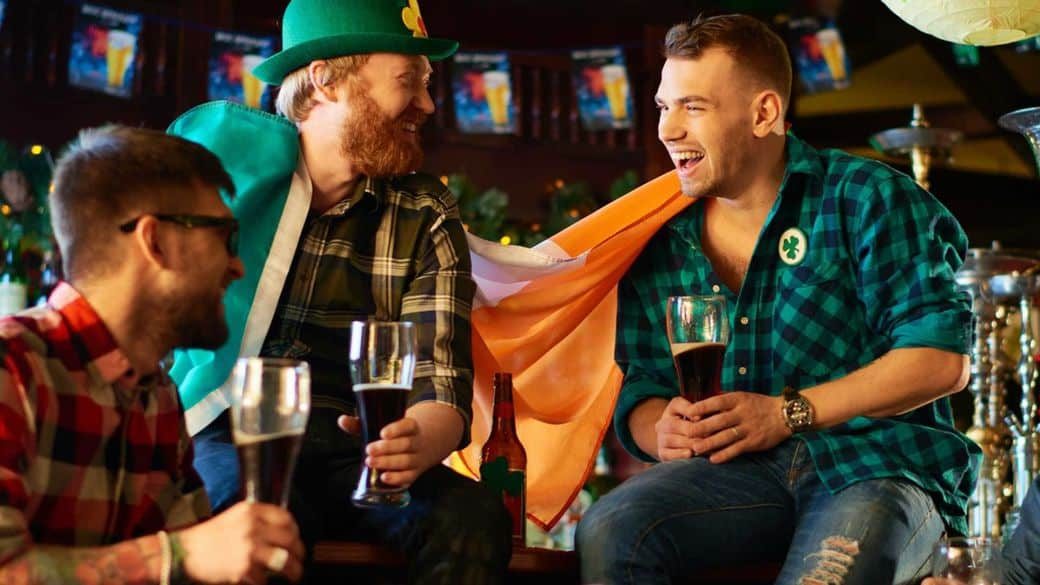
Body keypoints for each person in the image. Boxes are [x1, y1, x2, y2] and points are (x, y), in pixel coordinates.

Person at [576, 14, 980, 585]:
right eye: (664, 106)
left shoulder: (870, 197)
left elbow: (939, 360)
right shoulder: (658, 238)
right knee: (610, 528)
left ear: (763, 113)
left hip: (879, 465)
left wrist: (785, 413)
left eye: (693, 107)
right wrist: (659, 428)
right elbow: (642, 385)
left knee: (827, 573)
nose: (668, 129)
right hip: (735, 477)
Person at [168, 0, 511, 582]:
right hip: (231, 435)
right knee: (254, 516)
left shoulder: (425, 210)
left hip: (358, 450)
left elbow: (441, 380)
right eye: (408, 80)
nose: (428, 104)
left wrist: (416, 441)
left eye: (427, 83)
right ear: (326, 80)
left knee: (474, 519)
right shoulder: (224, 184)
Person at [0, 126, 305, 583]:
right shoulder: (12, 369)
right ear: (155, 241)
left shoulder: (159, 398)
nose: (238, 266)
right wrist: (177, 554)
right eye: (226, 238)